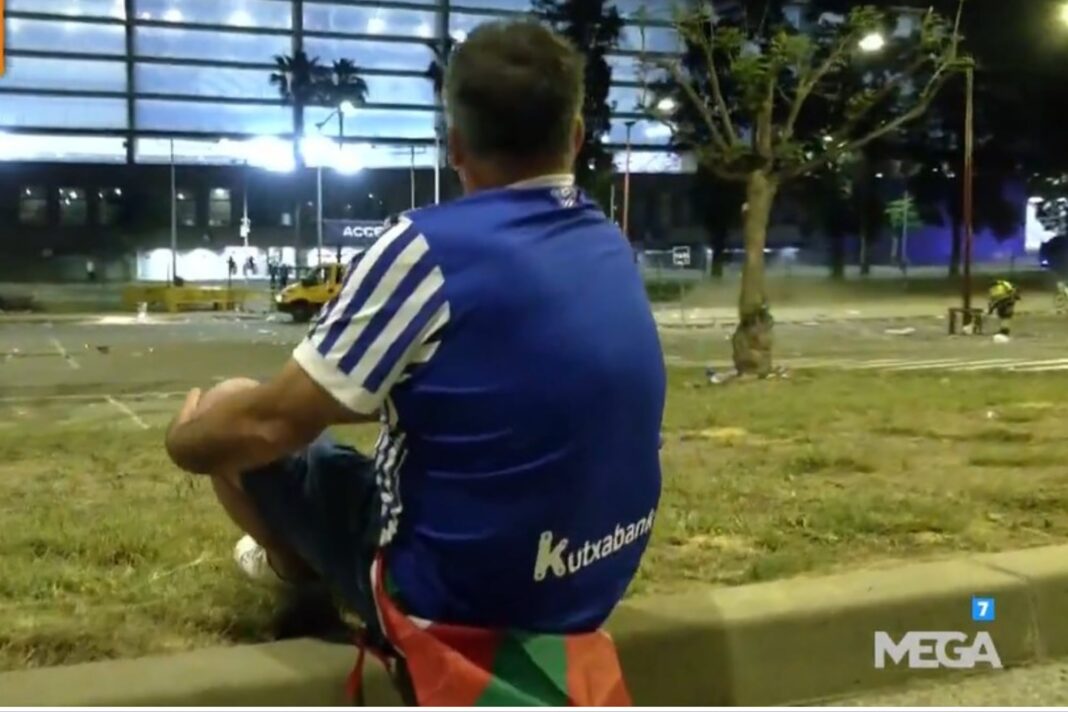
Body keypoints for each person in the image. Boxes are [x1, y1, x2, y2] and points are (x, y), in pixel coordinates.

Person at [165, 20, 663, 706]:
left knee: (234, 406)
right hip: (589, 578)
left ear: (455, 146)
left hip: (461, 597)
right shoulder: (609, 243)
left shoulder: (429, 250)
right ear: (575, 137)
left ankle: (294, 571)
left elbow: (273, 423)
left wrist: (186, 439)